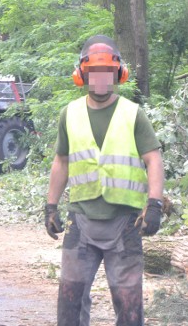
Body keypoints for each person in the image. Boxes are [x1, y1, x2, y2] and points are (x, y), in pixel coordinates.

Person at [45, 35, 165, 326]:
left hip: (125, 223)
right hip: (81, 220)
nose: (100, 79)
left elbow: (154, 159)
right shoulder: (69, 114)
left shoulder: (132, 114)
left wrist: (155, 204)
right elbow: (61, 161)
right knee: (70, 302)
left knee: (129, 307)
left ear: (117, 74)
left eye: (107, 72)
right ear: (83, 75)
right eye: (95, 72)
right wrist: (50, 206)